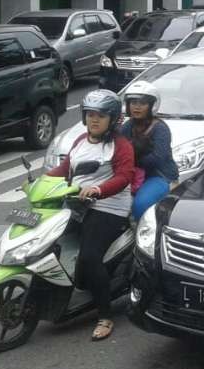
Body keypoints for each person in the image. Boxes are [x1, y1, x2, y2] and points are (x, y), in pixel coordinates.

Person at [46, 90, 134, 341]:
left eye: (101, 115)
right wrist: (41, 180)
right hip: (76, 203)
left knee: (89, 257)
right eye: (90, 115)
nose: (94, 120)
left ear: (113, 118)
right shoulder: (80, 141)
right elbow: (66, 168)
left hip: (108, 208)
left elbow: (124, 177)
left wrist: (98, 190)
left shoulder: (121, 146)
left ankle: (104, 316)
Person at [120, 80, 178, 220]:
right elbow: (119, 151)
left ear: (152, 105)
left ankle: (143, 234)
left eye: (142, 103)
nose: (137, 107)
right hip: (132, 174)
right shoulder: (127, 126)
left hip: (158, 176)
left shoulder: (160, 128)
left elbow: (157, 158)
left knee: (140, 205)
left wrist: (133, 160)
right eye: (133, 103)